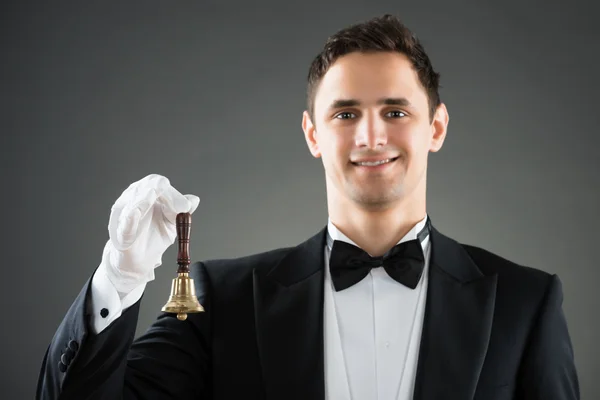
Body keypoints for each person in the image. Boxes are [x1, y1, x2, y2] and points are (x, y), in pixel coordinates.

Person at [36, 14, 579, 400]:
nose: (370, 135)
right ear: (312, 134)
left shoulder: (526, 303)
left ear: (435, 126)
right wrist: (120, 276)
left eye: (395, 111)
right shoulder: (221, 301)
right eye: (345, 114)